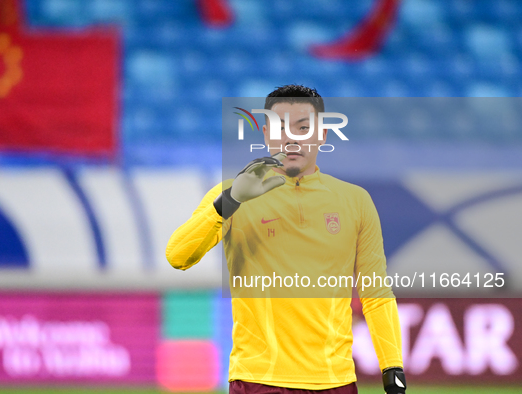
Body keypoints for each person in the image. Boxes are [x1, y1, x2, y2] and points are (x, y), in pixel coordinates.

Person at [166, 85, 406, 394]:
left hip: (335, 382)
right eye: (281, 127)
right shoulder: (231, 194)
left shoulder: (356, 201)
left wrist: (393, 368)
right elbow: (178, 256)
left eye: (303, 128)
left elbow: (376, 293)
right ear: (266, 133)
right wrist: (230, 202)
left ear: (322, 134)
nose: (292, 138)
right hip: (257, 380)